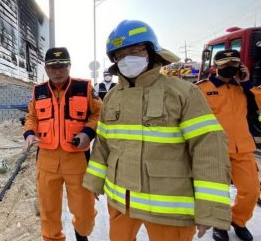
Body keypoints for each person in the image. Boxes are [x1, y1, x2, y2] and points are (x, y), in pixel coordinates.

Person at [82, 20, 231, 241]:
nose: (127, 59)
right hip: (121, 202)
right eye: (120, 55)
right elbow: (102, 144)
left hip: (169, 207)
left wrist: (210, 208)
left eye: (135, 50)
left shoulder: (182, 92)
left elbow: (209, 148)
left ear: (151, 52)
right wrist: (94, 182)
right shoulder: (112, 97)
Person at [23, 47, 102, 241]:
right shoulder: (39, 90)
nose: (57, 72)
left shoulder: (84, 88)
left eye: (62, 66)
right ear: (46, 69)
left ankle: (81, 235)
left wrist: (88, 132)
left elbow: (99, 113)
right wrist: (29, 133)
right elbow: (32, 116)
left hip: (77, 159)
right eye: (52, 67)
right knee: (48, 212)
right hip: (47, 160)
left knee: (85, 212)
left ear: (69, 66)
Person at [197, 50, 260, 241]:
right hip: (215, 149)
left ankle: (239, 220)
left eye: (234, 63)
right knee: (218, 192)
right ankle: (220, 224)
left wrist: (247, 82)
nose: (229, 67)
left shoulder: (244, 88)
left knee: (251, 190)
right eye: (225, 64)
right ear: (216, 66)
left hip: (243, 148)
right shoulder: (202, 88)